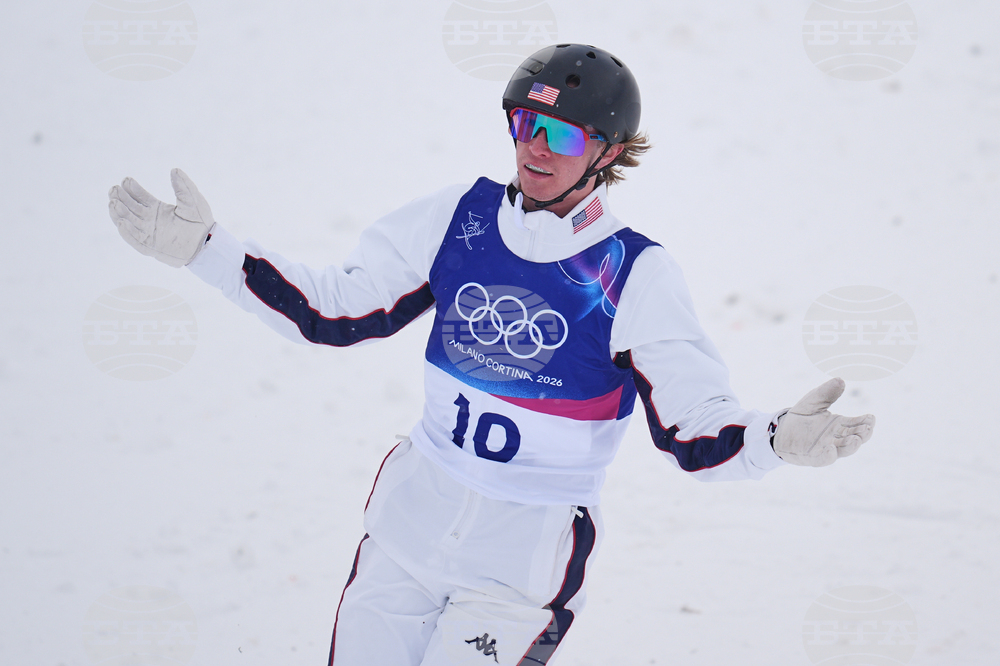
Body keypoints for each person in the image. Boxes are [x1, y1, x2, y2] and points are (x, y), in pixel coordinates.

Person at [108, 44, 875, 666]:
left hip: (519, 567)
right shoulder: (458, 217)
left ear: (607, 152)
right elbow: (333, 310)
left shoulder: (633, 273)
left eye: (564, 136)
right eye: (523, 126)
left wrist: (775, 441)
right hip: (408, 529)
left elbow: (694, 430)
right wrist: (208, 253)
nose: (535, 150)